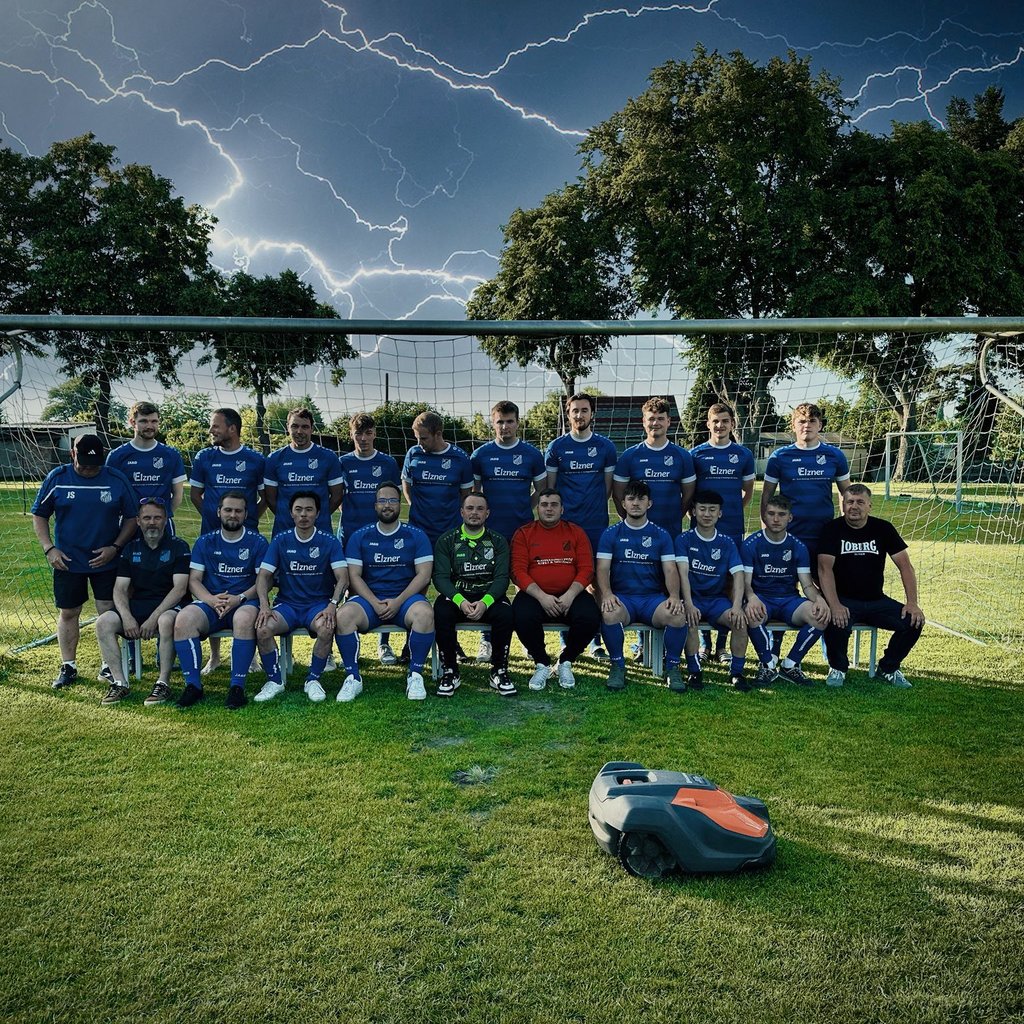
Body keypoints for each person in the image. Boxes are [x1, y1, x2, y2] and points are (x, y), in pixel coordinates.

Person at [32, 434, 138, 691]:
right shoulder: (58, 478)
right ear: (72, 455)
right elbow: (40, 515)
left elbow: (132, 517)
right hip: (67, 561)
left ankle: (108, 665)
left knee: (108, 611)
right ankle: (68, 665)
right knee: (69, 612)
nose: (90, 468)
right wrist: (49, 549)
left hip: (106, 560)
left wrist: (115, 547)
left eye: (95, 463)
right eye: (85, 463)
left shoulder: (115, 479)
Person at [817, 483, 925, 688]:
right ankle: (838, 668)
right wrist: (835, 604)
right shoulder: (832, 529)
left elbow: (905, 566)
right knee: (835, 621)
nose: (854, 506)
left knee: (913, 620)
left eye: (860, 502)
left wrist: (912, 603)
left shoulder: (883, 528)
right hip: (845, 600)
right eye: (849, 502)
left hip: (876, 600)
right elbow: (825, 570)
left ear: (869, 506)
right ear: (842, 505)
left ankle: (889, 667)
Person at [335, 482, 435, 702]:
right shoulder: (360, 536)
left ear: (400, 504)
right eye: (382, 501)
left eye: (392, 500)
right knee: (343, 616)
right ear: (375, 505)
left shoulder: (416, 535)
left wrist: (398, 601)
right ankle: (353, 676)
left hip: (405, 600)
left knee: (426, 614)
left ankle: (415, 674)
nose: (387, 505)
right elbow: (354, 576)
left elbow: (424, 576)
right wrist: (374, 602)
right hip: (368, 600)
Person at [172, 491, 269, 710]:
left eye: (238, 511)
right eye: (228, 510)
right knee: (183, 619)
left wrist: (239, 598)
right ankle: (193, 686)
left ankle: (237, 688)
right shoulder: (205, 541)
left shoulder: (257, 542)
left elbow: (264, 582)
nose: (232, 514)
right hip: (212, 603)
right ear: (218, 512)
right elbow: (194, 580)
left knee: (244, 619)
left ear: (245, 514)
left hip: (244, 601)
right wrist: (211, 600)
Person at [250, 492, 348, 705]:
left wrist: (333, 605)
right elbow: (264, 577)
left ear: (318, 513)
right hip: (288, 606)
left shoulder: (329, 542)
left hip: (318, 605)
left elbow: (343, 578)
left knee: (326, 627)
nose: (304, 514)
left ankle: (313, 679)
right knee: (263, 628)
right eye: (299, 510)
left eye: (309, 509)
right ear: (292, 513)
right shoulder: (281, 540)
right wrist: (264, 606)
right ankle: (274, 680)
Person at [595, 479, 694, 692]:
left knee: (677, 615)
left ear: (649, 503)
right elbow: (602, 569)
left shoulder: (661, 534)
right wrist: (608, 594)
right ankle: (617, 666)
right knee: (610, 613)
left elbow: (670, 569)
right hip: (624, 598)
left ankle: (673, 668)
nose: (636, 503)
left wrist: (674, 596)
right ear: (623, 503)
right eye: (631, 499)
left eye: (641, 499)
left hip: (652, 599)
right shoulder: (611, 533)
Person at [189, 407, 266, 674]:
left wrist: (249, 519)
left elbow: (264, 496)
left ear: (232, 428)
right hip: (213, 536)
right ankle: (215, 655)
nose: (211, 430)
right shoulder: (205, 457)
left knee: (245, 587)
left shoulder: (255, 460)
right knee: (215, 588)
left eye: (216, 426)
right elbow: (195, 495)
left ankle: (251, 655)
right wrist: (215, 520)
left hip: (247, 536)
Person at [470, 400, 547, 662]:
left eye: (510, 421)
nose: (505, 426)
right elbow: (475, 493)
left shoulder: (532, 454)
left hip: (523, 531)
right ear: (493, 423)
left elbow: (541, 489)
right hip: (490, 533)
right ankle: (486, 641)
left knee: (526, 585)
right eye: (500, 421)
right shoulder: (480, 455)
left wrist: (527, 506)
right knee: (490, 585)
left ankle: (528, 639)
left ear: (518, 423)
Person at [94, 497, 190, 705]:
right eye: (147, 518)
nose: (152, 522)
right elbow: (120, 589)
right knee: (104, 622)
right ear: (138, 521)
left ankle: (163, 683)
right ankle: (119, 683)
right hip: (139, 605)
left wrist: (153, 618)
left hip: (170, 606)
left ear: (166, 520)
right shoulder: (130, 549)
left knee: (165, 621)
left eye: (157, 517)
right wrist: (127, 618)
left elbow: (180, 588)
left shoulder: (179, 546)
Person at [544, 392, 617, 659]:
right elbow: (550, 490)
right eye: (574, 411)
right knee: (565, 580)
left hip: (596, 524)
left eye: (584, 410)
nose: (579, 415)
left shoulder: (606, 447)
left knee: (597, 582)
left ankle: (595, 640)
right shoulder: (556, 447)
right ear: (568, 414)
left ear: (592, 414)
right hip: (565, 527)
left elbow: (608, 489)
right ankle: (568, 640)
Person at [510, 488, 601, 692]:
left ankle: (566, 661)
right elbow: (517, 571)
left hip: (571, 594)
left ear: (562, 509)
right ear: (537, 508)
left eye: (554, 505)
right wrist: (542, 597)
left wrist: (569, 595)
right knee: (521, 615)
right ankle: (541, 663)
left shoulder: (576, 532)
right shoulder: (524, 533)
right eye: (544, 504)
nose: (549, 509)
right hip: (536, 595)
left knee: (590, 617)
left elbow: (587, 569)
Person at [742, 494, 831, 687]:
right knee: (752, 615)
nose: (775, 519)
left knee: (820, 616)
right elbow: (745, 583)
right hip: (762, 598)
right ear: (764, 516)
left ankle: (790, 665)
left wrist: (819, 599)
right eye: (771, 514)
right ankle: (767, 665)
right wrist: (751, 598)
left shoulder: (798, 546)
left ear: (790, 517)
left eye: (781, 514)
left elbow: (806, 584)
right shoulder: (751, 544)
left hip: (789, 600)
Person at [432, 492, 515, 697]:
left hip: (488, 598)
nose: (474, 513)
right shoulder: (447, 540)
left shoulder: (498, 541)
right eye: (470, 508)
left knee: (506, 613)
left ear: (487, 513)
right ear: (462, 512)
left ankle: (499, 670)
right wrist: (460, 601)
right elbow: (441, 578)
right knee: (441, 611)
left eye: (480, 509)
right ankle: (450, 670)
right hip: (458, 598)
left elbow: (502, 579)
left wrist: (485, 603)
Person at [689, 402, 755, 662]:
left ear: (732, 424)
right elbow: (690, 491)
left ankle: (721, 645)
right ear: (708, 424)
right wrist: (698, 516)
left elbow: (748, 491)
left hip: (731, 528)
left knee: (728, 581)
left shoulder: (743, 455)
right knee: (700, 579)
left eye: (725, 421)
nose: (720, 425)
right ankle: (704, 645)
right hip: (701, 528)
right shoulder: (696, 454)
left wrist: (731, 511)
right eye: (715, 421)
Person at [760, 402, 850, 571]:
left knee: (822, 582)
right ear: (793, 425)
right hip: (789, 531)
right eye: (801, 421)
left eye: (812, 421)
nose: (807, 425)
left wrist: (845, 526)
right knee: (787, 582)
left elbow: (846, 493)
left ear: (820, 425)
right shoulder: (779, 457)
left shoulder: (835, 455)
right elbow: (767, 495)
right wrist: (766, 529)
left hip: (823, 531)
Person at [341, 412, 401, 665]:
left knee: (384, 583)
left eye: (368, 433)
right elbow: (337, 495)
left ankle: (383, 644)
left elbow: (395, 496)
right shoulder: (342, 462)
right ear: (351, 435)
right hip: (351, 535)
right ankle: (347, 645)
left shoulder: (387, 463)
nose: (363, 438)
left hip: (383, 535)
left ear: (375, 434)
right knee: (349, 587)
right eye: (358, 433)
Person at [675, 490, 750, 692]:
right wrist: (688, 604)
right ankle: (694, 671)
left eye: (712, 510)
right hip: (694, 599)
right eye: (702, 509)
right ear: (693, 512)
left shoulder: (726, 542)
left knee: (739, 621)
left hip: (717, 601)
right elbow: (682, 575)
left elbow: (739, 576)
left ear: (720, 514)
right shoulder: (684, 540)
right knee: (688, 620)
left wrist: (736, 606)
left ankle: (736, 673)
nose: (707, 514)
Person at [613, 396, 696, 537]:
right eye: (651, 419)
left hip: (671, 532)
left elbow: (688, 496)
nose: (655, 423)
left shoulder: (683, 456)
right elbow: (617, 495)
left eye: (661, 418)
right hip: (636, 532)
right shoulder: (630, 456)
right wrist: (630, 520)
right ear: (644, 422)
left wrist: (675, 517)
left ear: (668, 421)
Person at [263, 407, 344, 537]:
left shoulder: (328, 457)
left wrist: (317, 516)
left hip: (320, 530)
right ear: (287, 427)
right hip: (285, 531)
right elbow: (270, 499)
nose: (299, 431)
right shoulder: (274, 459)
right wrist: (287, 515)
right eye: (294, 426)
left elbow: (337, 496)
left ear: (312, 428)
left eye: (305, 427)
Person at [106, 401, 187, 528]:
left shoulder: (171, 455)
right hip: (128, 525)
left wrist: (163, 516)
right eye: (144, 421)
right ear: (133, 422)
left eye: (154, 421)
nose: (150, 426)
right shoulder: (117, 456)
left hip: (161, 525)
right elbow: (110, 494)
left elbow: (178, 495)